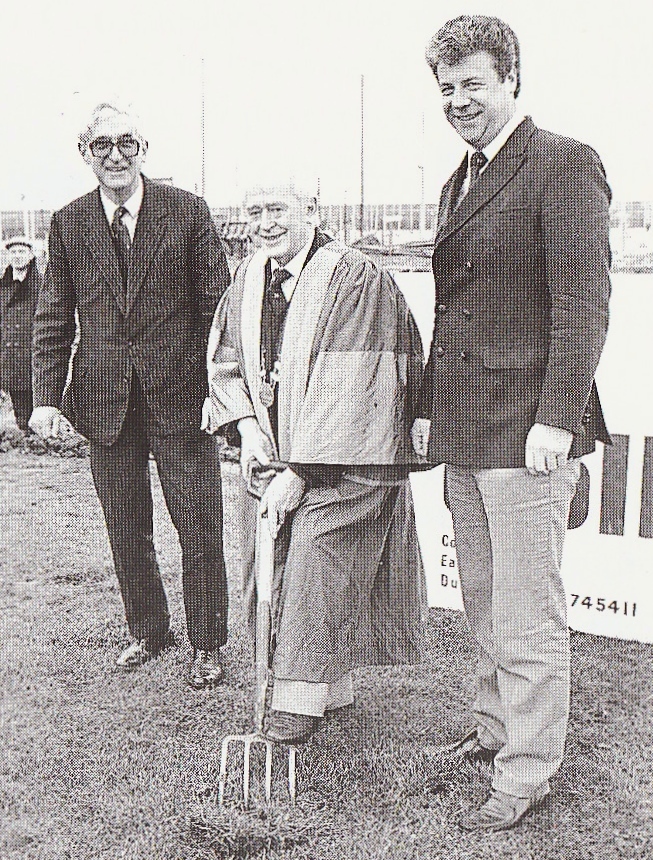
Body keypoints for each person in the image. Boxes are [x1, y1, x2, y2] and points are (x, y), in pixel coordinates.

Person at [412, 15, 611, 831]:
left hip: (528, 432)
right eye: (447, 88)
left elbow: (584, 306)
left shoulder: (562, 162)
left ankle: (526, 771)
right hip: (467, 428)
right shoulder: (459, 178)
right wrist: (427, 412)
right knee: (485, 598)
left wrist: (555, 421)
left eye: (473, 84)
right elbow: (452, 315)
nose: (459, 101)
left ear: (511, 80)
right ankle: (494, 730)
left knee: (527, 612)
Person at [207, 177, 425, 744]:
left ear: (311, 209)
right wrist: (248, 426)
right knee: (270, 559)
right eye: (253, 210)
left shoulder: (354, 277)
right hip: (279, 451)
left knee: (316, 560)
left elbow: (354, 386)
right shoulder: (250, 278)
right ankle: (326, 686)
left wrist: (301, 473)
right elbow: (227, 360)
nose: (263, 222)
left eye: (276, 208)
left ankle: (298, 702)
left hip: (352, 461)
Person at [30, 103, 231, 687]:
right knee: (126, 525)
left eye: (126, 142)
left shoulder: (188, 212)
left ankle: (207, 644)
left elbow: (216, 311)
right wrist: (45, 397)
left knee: (197, 523)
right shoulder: (68, 223)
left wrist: (219, 391)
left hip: (181, 397)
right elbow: (52, 316)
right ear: (85, 153)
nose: (114, 155)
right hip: (103, 402)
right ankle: (148, 631)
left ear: (144, 147)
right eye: (101, 145)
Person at [1, 236, 41, 434]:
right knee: (18, 396)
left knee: (36, 395)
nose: (17, 256)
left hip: (32, 353)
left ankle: (38, 436)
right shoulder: (3, 287)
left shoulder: (41, 287)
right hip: (9, 356)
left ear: (31, 255)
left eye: (22, 252)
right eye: (13, 252)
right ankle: (24, 432)